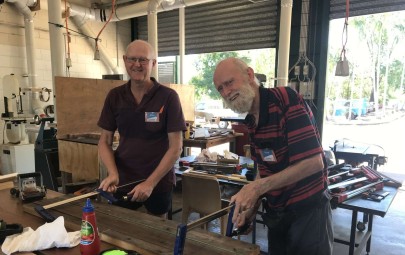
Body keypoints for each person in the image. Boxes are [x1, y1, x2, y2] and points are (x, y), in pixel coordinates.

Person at [213, 57, 333, 255]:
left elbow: (314, 163)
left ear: (249, 75)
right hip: (277, 214)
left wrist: (256, 188)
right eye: (220, 89)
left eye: (229, 83)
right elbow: (265, 169)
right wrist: (252, 207)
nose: (226, 92)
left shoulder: (285, 99)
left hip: (308, 213)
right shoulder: (252, 121)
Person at [97, 40, 186, 218]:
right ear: (124, 60)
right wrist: (113, 173)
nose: (137, 64)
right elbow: (104, 141)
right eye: (132, 59)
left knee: (157, 234)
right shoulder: (115, 96)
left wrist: (150, 183)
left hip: (159, 182)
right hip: (122, 181)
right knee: (122, 230)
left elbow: (176, 147)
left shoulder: (168, 97)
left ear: (153, 63)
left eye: (143, 60)